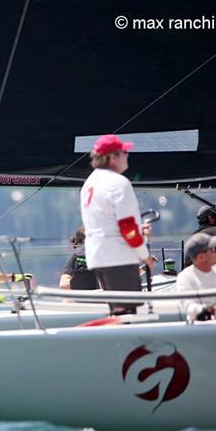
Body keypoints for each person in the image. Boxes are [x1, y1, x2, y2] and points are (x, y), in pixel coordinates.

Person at [80, 134, 155, 315]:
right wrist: (145, 256)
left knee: (118, 314)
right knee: (130, 316)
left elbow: (109, 222)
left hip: (98, 257)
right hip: (118, 258)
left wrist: (137, 230)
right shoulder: (118, 183)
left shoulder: (89, 183)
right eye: (124, 152)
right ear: (113, 157)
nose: (127, 155)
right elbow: (127, 228)